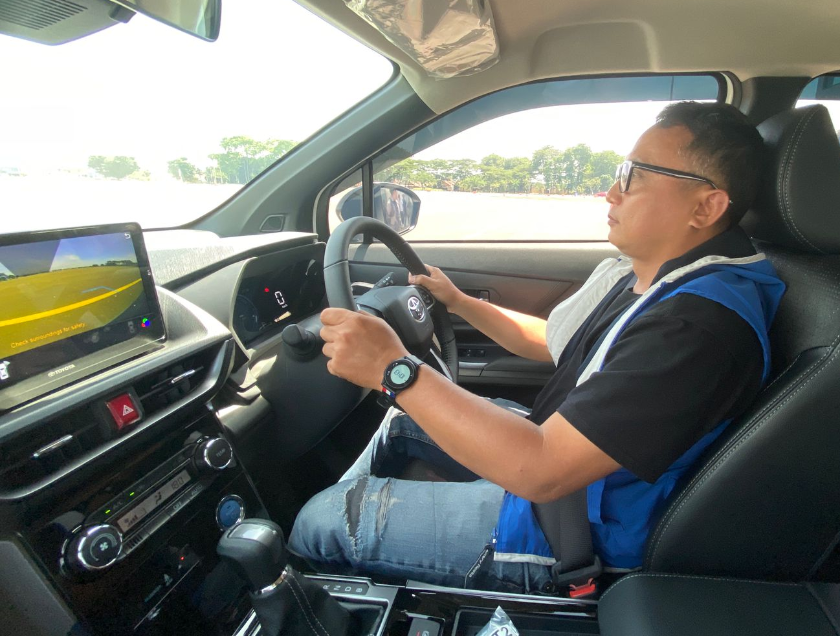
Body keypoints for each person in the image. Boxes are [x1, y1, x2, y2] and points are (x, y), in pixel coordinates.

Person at [288, 102, 786, 593]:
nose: (611, 191)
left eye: (633, 176)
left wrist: (394, 368)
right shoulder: (656, 277)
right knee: (400, 424)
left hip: (569, 526)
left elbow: (542, 471)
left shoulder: (695, 325)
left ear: (705, 207)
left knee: (324, 520)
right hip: (560, 462)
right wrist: (458, 302)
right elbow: (550, 341)